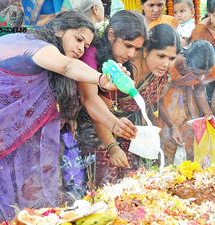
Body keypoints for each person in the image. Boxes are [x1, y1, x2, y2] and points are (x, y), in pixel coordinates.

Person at [0, 11, 128, 224]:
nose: (82, 48)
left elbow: (85, 97)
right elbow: (68, 66)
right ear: (57, 30)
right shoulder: (37, 45)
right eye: (78, 38)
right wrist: (102, 79)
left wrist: (114, 123)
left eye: (86, 44)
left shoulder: (56, 65)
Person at [77, 22, 180, 187]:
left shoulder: (160, 74)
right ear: (145, 50)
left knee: (138, 183)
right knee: (107, 186)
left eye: (172, 58)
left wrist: (170, 126)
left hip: (130, 127)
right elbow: (99, 112)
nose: (166, 64)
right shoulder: (123, 72)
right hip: (101, 127)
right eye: (161, 56)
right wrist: (112, 147)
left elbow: (149, 102)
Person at [76, 10, 148, 187]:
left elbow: (107, 104)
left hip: (105, 127)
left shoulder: (120, 61)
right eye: (127, 45)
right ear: (110, 34)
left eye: (136, 48)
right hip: (85, 134)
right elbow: (90, 99)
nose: (131, 53)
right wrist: (113, 134)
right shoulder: (90, 55)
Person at [159, 40, 215, 165]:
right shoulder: (169, 63)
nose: (201, 78)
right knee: (167, 143)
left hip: (191, 104)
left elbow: (199, 91)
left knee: (191, 142)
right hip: (165, 105)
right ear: (185, 63)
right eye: (196, 74)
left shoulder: (208, 62)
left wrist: (208, 113)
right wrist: (172, 126)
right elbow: (156, 98)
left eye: (205, 74)